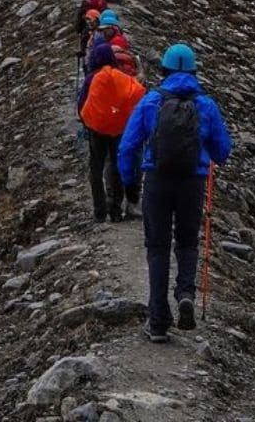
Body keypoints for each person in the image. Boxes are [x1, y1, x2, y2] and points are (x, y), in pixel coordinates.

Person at [118, 42, 233, 342]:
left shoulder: (151, 101)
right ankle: (185, 293)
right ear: (194, 71)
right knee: (186, 243)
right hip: (192, 183)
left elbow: (128, 145)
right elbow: (222, 152)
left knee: (157, 248)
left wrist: (128, 181)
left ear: (165, 70)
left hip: (156, 179)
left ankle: (157, 322)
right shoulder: (206, 105)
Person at [79, 40, 146, 223]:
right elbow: (138, 92)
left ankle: (99, 211)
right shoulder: (122, 77)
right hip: (118, 129)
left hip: (96, 129)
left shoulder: (92, 77)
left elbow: (81, 102)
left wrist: (86, 122)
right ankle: (116, 210)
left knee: (96, 169)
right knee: (117, 166)